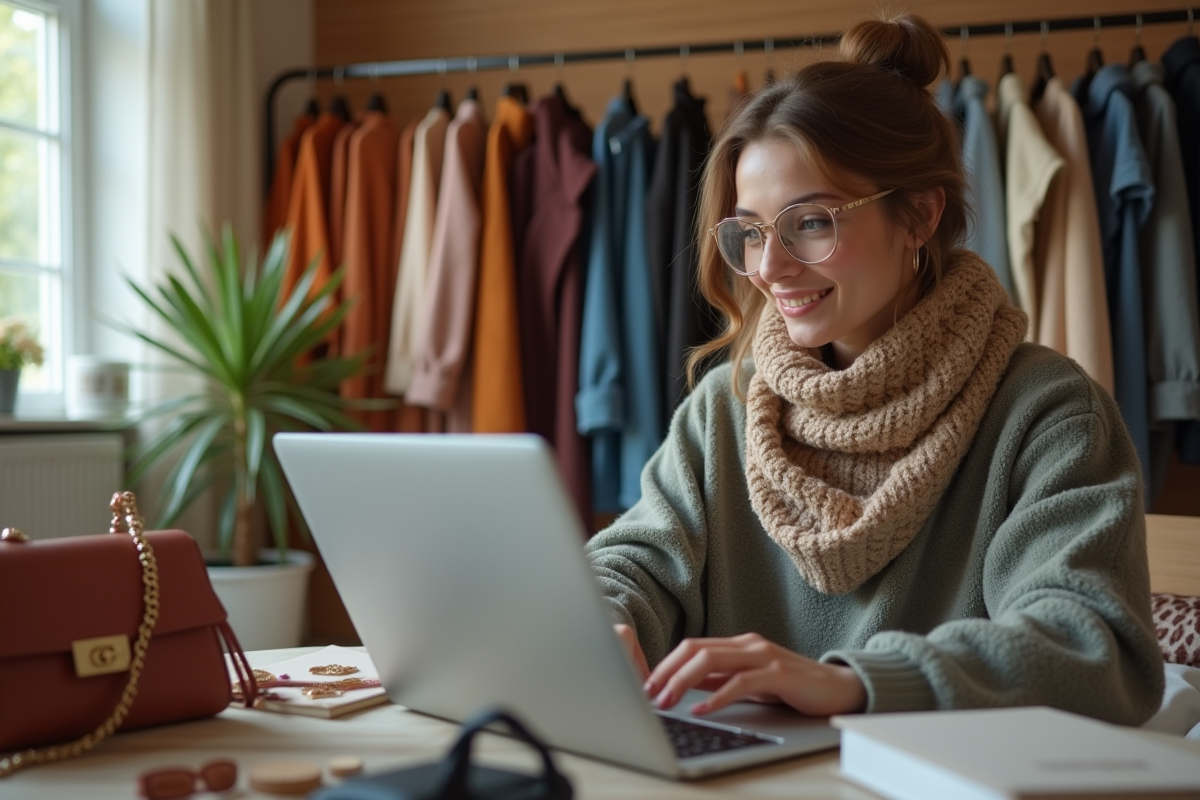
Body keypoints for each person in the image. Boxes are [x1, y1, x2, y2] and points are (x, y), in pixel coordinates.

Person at [585, 12, 1164, 725]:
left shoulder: (1046, 413)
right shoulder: (725, 407)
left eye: (812, 222)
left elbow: (1094, 646)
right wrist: (596, 622)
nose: (769, 268)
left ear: (920, 215)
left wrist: (859, 683)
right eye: (751, 232)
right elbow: (634, 563)